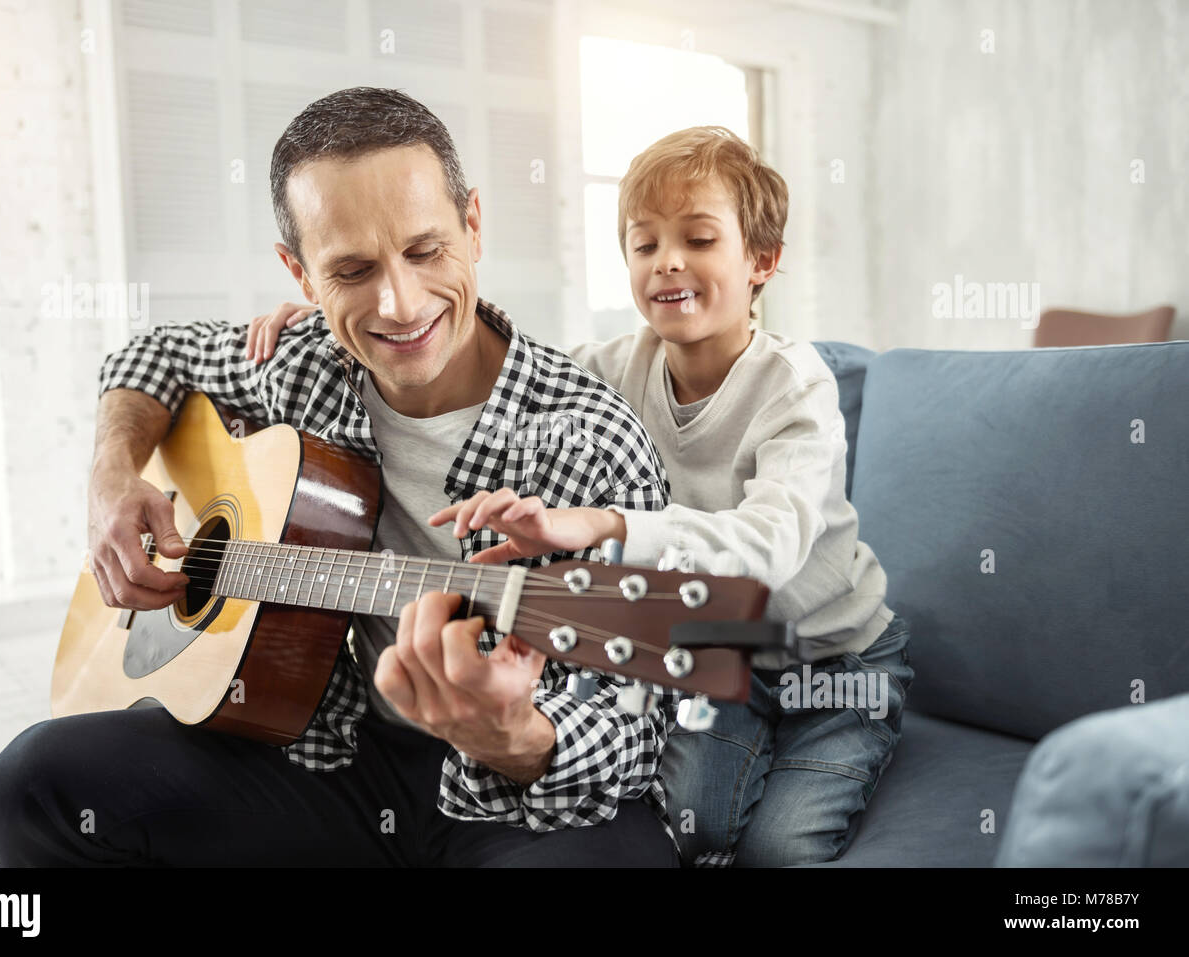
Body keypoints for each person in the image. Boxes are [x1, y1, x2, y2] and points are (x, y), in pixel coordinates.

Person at [0, 87, 679, 867]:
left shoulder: (591, 439)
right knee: (28, 783)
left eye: (425, 250)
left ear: (473, 225)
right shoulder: (308, 358)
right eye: (351, 268)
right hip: (342, 753)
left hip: (521, 798)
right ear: (300, 274)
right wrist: (111, 481)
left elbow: (634, 731)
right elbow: (152, 357)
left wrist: (516, 736)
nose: (399, 303)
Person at [249, 126, 914, 867]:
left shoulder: (796, 386)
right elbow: (481, 350)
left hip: (831, 652)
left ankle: (870, 717)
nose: (668, 262)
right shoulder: (604, 368)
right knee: (696, 822)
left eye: (698, 239)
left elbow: (768, 550)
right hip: (723, 654)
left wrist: (604, 524)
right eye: (645, 243)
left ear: (762, 260)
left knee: (782, 844)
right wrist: (356, 323)